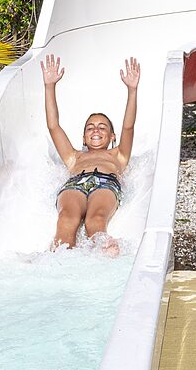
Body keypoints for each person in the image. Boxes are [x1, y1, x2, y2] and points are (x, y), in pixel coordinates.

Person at [41, 53, 140, 255]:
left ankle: (106, 251)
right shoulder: (73, 157)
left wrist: (132, 90)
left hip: (106, 182)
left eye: (102, 127)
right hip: (75, 184)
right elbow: (53, 126)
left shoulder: (118, 155)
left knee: (95, 220)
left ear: (112, 136)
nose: (96, 130)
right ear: (84, 138)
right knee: (67, 219)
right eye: (90, 128)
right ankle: (57, 259)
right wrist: (49, 87)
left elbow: (128, 126)